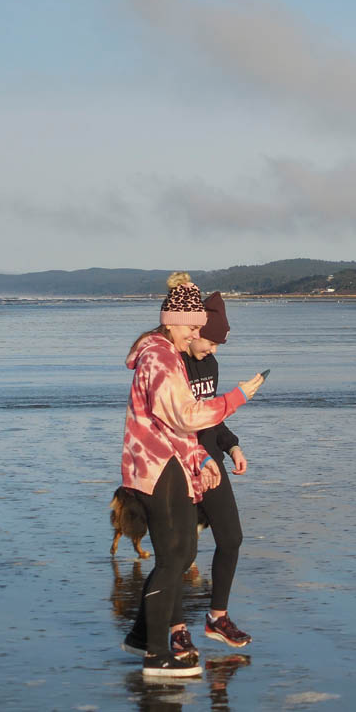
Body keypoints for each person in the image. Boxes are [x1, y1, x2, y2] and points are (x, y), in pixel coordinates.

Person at [120, 272, 264, 678]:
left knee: (181, 555)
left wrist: (206, 453)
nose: (198, 335)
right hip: (157, 466)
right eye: (194, 328)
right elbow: (186, 416)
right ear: (172, 321)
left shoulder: (173, 356)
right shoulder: (162, 359)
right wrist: (237, 398)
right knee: (175, 558)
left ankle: (141, 636)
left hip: (178, 461)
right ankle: (157, 651)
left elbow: (181, 425)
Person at [181, 291, 253, 648]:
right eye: (211, 342)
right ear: (193, 331)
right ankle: (171, 629)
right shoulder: (174, 361)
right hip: (177, 465)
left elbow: (211, 414)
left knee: (232, 538)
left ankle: (216, 618)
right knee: (178, 553)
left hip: (212, 464)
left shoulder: (209, 363)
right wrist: (200, 454)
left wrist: (231, 444)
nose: (214, 351)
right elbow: (178, 420)